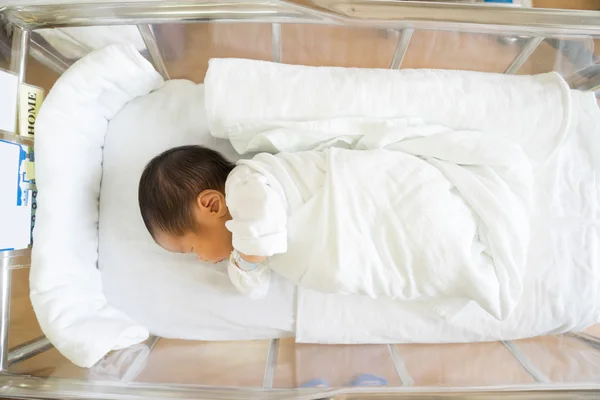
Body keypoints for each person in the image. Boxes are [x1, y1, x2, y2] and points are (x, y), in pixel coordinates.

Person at [138, 144, 284, 299]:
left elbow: (263, 215)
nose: (201, 259)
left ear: (212, 205)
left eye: (192, 248)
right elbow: (257, 290)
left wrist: (249, 258)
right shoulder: (244, 241)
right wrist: (244, 265)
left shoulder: (245, 185)